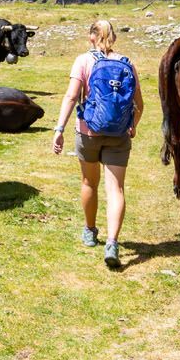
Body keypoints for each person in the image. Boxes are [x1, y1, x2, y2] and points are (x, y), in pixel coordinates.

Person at [51, 19, 143, 268]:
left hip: (87, 132)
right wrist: (132, 125)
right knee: (117, 190)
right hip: (118, 135)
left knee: (89, 181)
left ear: (92, 36)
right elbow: (139, 104)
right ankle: (112, 242)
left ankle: (90, 231)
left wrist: (59, 129)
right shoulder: (127, 63)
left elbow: (71, 96)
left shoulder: (83, 60)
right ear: (114, 36)